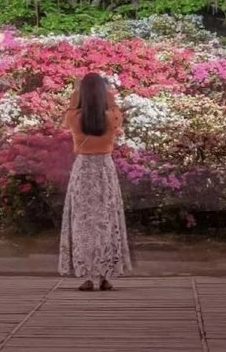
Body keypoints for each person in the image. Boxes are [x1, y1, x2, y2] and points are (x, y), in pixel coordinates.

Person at [59, 72, 131, 291]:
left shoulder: (74, 117)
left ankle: (88, 276)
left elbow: (68, 113)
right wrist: (106, 95)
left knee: (84, 223)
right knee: (107, 221)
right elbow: (117, 112)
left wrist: (77, 94)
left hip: (83, 170)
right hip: (104, 169)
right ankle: (106, 276)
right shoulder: (112, 117)